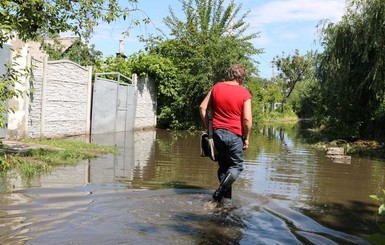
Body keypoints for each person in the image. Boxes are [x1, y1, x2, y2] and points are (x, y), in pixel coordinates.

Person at [199, 64, 252, 203]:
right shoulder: (244, 93)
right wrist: (247, 138)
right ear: (242, 78)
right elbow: (247, 120)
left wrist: (208, 128)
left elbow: (202, 107)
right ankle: (219, 193)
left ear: (230, 74)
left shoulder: (216, 87)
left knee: (223, 167)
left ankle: (223, 202)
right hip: (234, 135)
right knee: (236, 166)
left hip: (217, 133)